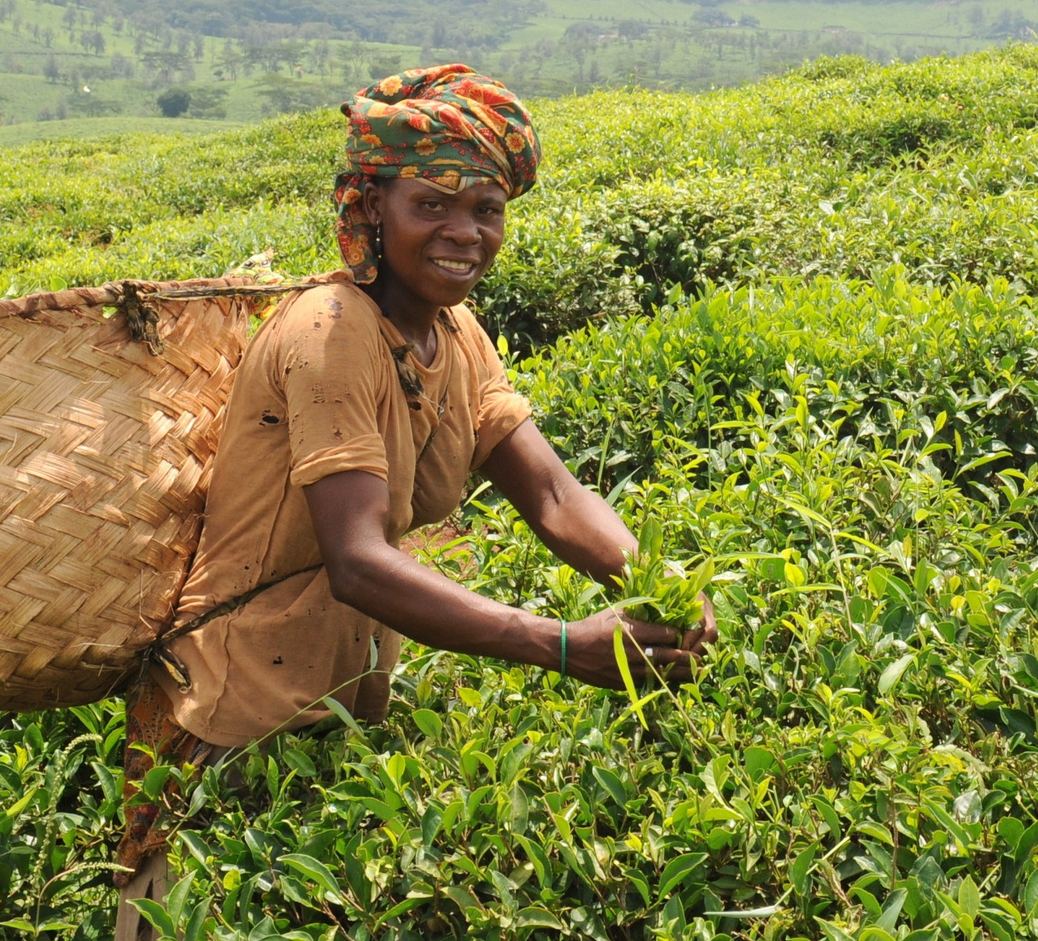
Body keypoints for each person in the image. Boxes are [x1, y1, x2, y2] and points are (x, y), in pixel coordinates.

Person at [114, 65, 714, 939]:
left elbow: (547, 489)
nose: (464, 232)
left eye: (487, 209)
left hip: (344, 703)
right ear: (372, 207)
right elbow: (357, 560)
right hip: (229, 718)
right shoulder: (330, 334)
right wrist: (557, 642)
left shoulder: (455, 333)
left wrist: (660, 582)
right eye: (432, 204)